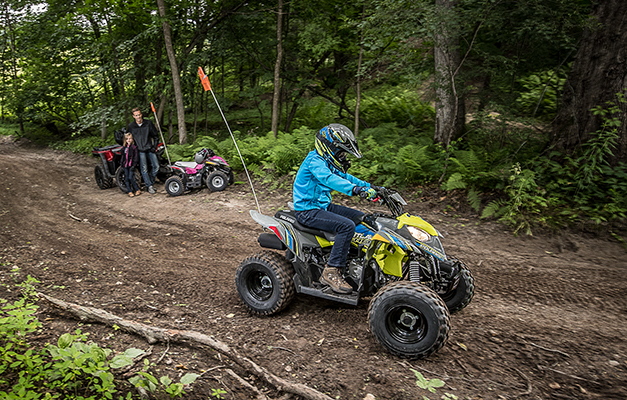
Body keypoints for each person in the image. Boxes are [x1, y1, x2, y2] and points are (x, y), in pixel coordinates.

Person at [293, 123, 379, 294]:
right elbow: (329, 178)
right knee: (346, 226)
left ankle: (360, 261)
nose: (342, 157)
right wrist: (355, 190)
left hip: (322, 206)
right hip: (307, 210)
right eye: (340, 152)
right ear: (328, 148)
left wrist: (372, 187)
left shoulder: (327, 162)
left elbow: (346, 177)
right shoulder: (314, 161)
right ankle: (331, 271)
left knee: (364, 218)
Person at [127, 107, 159, 194]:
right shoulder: (131, 126)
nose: (138, 117)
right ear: (133, 116)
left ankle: (150, 182)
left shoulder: (148, 123)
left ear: (141, 114)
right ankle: (149, 186)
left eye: (139, 115)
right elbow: (128, 138)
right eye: (136, 115)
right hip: (139, 150)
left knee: (156, 167)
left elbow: (155, 136)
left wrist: (154, 146)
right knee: (144, 168)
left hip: (149, 148)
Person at [121, 132, 141, 197]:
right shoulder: (124, 148)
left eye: (130, 139)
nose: (128, 140)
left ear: (132, 139)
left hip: (131, 165)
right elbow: (123, 156)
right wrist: (122, 163)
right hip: (125, 165)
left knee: (131, 177)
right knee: (126, 178)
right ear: (125, 140)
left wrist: (134, 165)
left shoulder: (134, 147)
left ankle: (137, 189)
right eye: (127, 139)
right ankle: (129, 191)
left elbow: (136, 157)